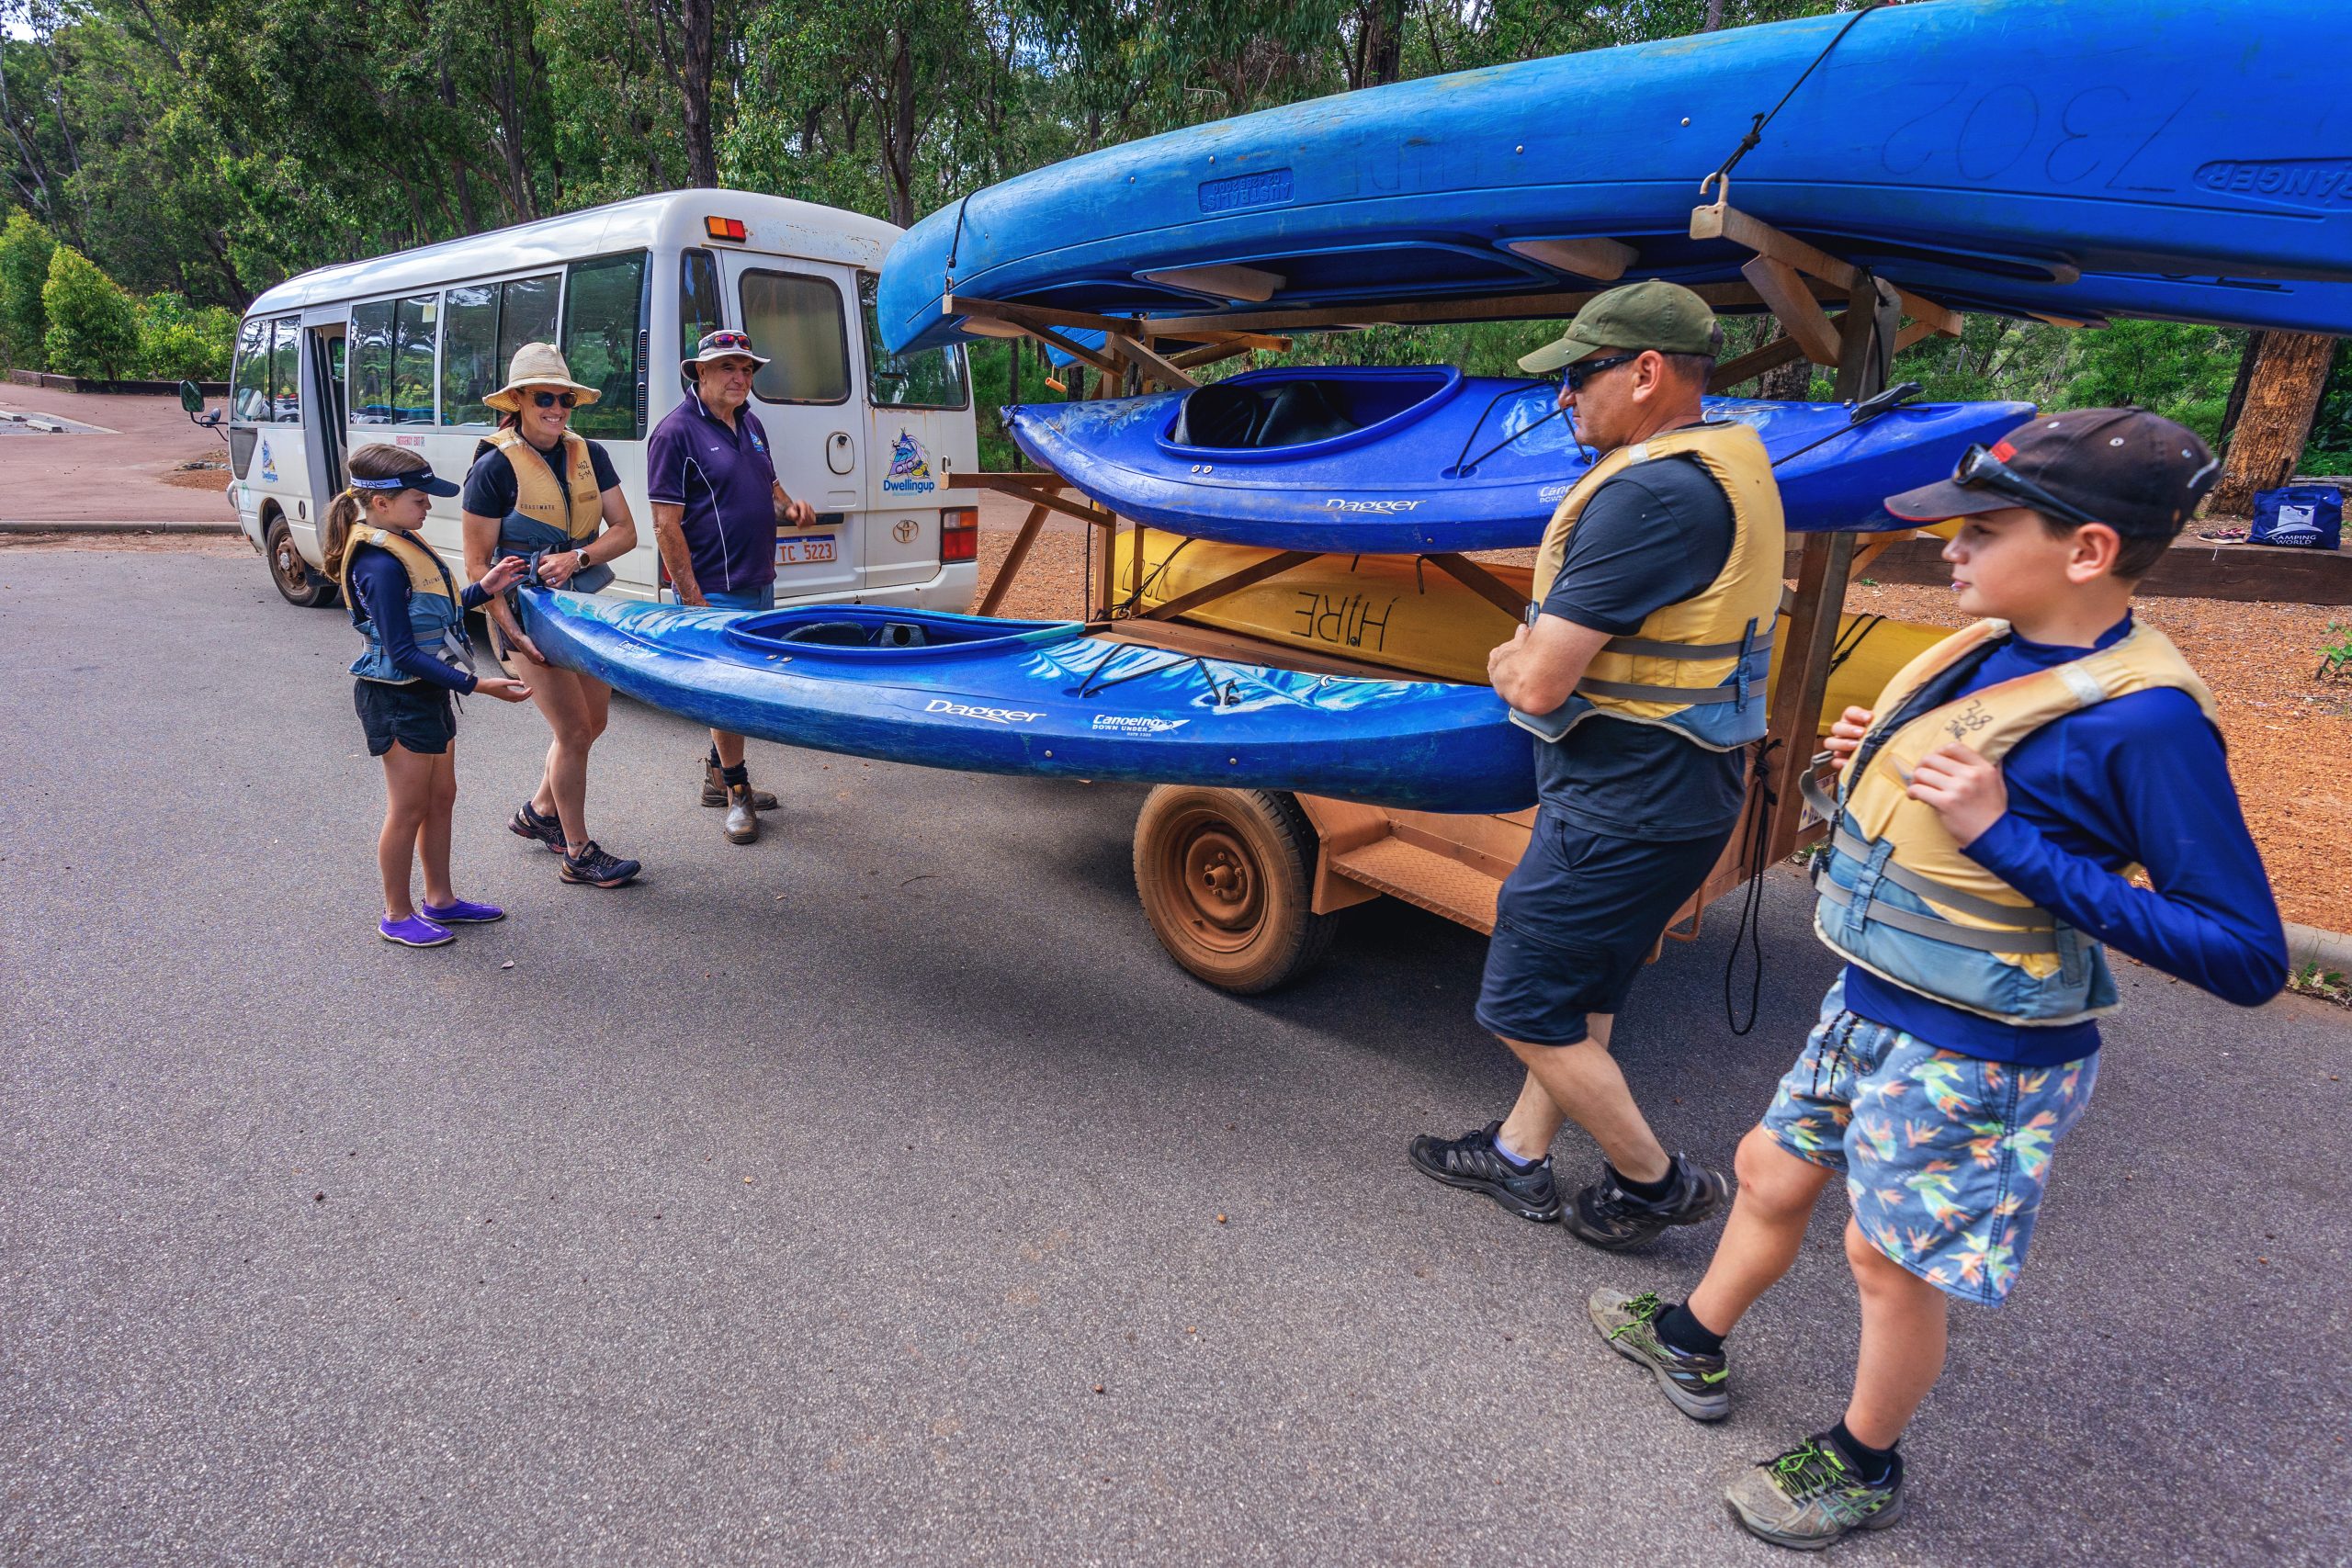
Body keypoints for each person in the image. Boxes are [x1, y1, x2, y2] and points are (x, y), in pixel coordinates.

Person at [1586, 410, 2287, 1549]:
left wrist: (2004, 836)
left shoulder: (2151, 725)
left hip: (1982, 1049)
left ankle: (1863, 1464)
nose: (1948, 549)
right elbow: (1932, 803)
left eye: (1983, 527)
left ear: (2087, 550)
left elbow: (2247, 955)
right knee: (1767, 1170)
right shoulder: (1992, 649)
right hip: (1871, 997)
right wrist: (1871, 756)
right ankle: (1688, 1333)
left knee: (1885, 1258)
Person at [1409, 280, 1783, 1249]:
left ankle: (1653, 1182)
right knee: (1590, 993)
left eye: (1580, 375)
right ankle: (1520, 1157)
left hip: (1627, 802)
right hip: (1680, 787)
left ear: (1647, 373)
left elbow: (1534, 684)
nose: (1566, 397)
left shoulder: (1651, 495)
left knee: (1524, 1005)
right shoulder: (1724, 466)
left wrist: (1506, 660)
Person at [322, 444, 534, 946]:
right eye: (419, 499)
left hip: (427, 692)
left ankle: (440, 898)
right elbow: (400, 651)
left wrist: (485, 587)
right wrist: (478, 684)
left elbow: (431, 618)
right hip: (396, 699)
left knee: (441, 799)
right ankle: (396, 914)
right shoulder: (379, 563)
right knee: (408, 807)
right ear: (380, 503)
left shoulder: (402, 540)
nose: (428, 507)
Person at [460, 343, 644, 889]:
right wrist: (509, 631)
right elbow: (476, 564)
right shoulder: (492, 467)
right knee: (571, 728)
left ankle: (539, 814)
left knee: (596, 722)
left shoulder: (590, 453)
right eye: (545, 397)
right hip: (525, 612)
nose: (557, 408)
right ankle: (578, 852)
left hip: (581, 604)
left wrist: (579, 557)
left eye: (565, 398)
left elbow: (626, 532)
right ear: (517, 400)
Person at [646, 328, 818, 844]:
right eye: (728, 367)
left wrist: (789, 506)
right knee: (729, 695)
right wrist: (692, 598)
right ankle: (738, 794)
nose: (741, 377)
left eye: (747, 369)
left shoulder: (751, 422)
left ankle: (716, 776)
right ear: (699, 373)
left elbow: (766, 482)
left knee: (734, 689)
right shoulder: (675, 433)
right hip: (712, 589)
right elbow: (664, 524)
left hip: (757, 579)